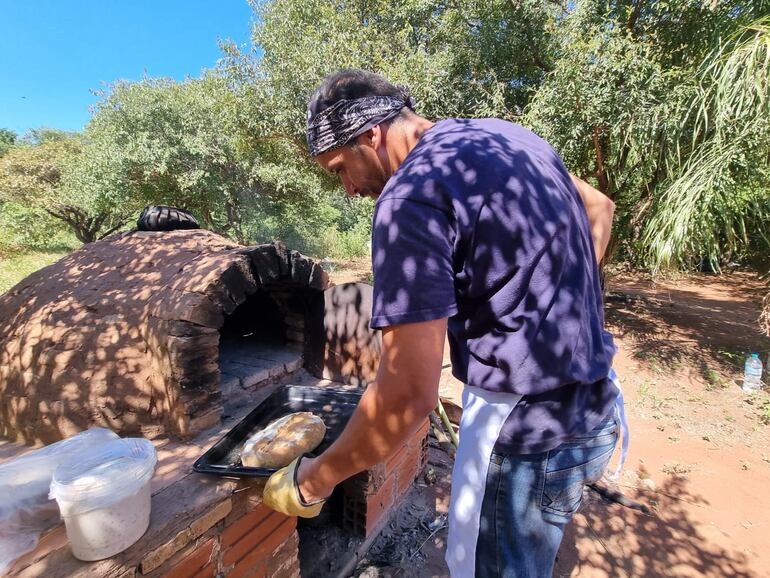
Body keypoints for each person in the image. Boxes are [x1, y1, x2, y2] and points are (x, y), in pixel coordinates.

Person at [263, 69, 621, 578]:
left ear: (371, 134)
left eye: (341, 167)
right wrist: (559, 304)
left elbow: (407, 397)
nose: (347, 189)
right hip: (592, 408)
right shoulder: (500, 135)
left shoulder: (409, 198)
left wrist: (312, 482)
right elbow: (597, 206)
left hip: (521, 433)